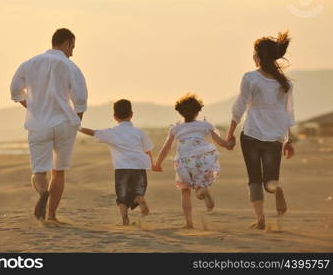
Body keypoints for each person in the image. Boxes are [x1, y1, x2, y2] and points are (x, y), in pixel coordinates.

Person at [10, 28, 88, 224]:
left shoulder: (29, 63)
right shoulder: (71, 67)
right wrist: (77, 120)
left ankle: (43, 193)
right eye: (72, 47)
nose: (72, 52)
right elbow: (80, 98)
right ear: (67, 43)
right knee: (59, 170)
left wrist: (30, 105)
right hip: (64, 123)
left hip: (38, 124)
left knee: (39, 172)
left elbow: (14, 90)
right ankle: (52, 214)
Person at [226, 31, 295, 230]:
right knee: (270, 180)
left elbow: (239, 106)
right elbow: (288, 113)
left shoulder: (251, 78)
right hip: (275, 138)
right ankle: (277, 188)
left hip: (251, 135)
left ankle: (260, 219)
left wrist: (230, 133)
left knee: (254, 178)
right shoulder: (285, 84)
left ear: (258, 56)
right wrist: (288, 140)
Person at [152, 93, 234, 229]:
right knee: (200, 183)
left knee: (185, 191)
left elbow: (166, 148)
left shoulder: (175, 129)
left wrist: (158, 164)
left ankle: (188, 222)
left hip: (184, 162)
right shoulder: (204, 125)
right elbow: (219, 141)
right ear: (198, 111)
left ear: (180, 112)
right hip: (201, 158)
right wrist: (228, 145)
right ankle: (202, 191)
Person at [79, 99, 153, 225]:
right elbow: (148, 151)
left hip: (122, 169)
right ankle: (139, 198)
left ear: (115, 117)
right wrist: (153, 165)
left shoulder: (112, 133)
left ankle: (125, 219)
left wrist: (78, 128)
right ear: (132, 114)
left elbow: (93, 132)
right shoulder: (139, 133)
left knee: (122, 197)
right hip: (139, 168)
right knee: (138, 191)